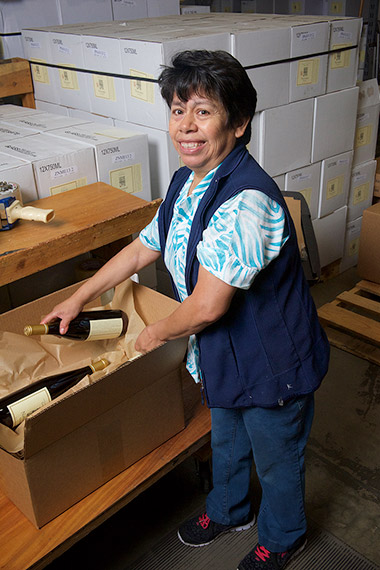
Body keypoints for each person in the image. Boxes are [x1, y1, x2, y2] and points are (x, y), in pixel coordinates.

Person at [41, 50, 330, 570]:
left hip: (272, 362)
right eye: (178, 110)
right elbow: (143, 247)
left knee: (277, 458)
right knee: (227, 437)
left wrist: (149, 339)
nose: (186, 126)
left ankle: (285, 536)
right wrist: (80, 294)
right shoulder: (187, 181)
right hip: (225, 354)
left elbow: (205, 307)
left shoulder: (248, 201)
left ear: (238, 123)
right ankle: (229, 509)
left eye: (203, 110)